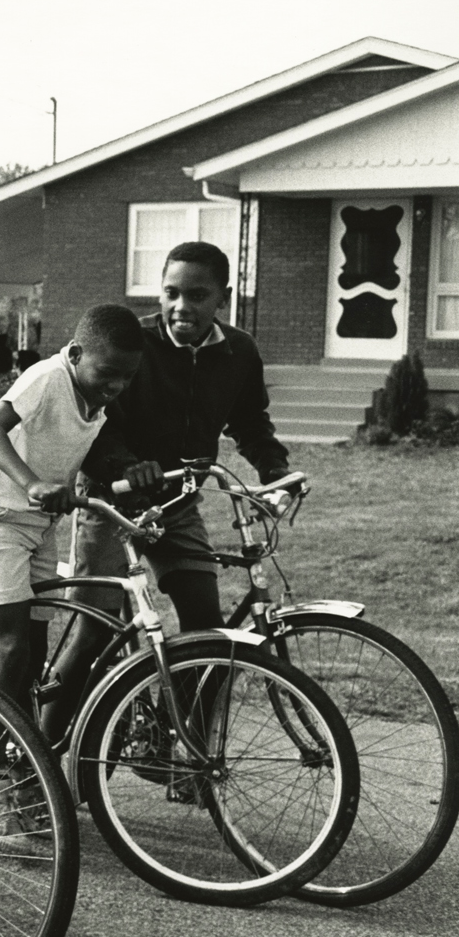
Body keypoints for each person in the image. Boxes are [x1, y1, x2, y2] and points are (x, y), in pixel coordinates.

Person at [53, 242, 292, 734]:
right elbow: (91, 418)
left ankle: (182, 745)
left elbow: (250, 421)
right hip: (111, 503)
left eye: (196, 295)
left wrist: (275, 473)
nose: (182, 306)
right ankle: (33, 757)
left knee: (207, 629)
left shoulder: (238, 352)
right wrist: (127, 465)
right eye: (171, 293)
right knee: (94, 633)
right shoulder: (132, 345)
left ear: (222, 297)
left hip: (178, 503)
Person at [0, 304, 144, 833]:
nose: (115, 387)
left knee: (33, 655)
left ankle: (21, 766)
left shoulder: (94, 402)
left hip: (38, 530)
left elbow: (71, 448)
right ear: (77, 353)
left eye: (126, 378)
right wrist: (31, 481)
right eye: (106, 374)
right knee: (12, 647)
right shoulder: (46, 378)